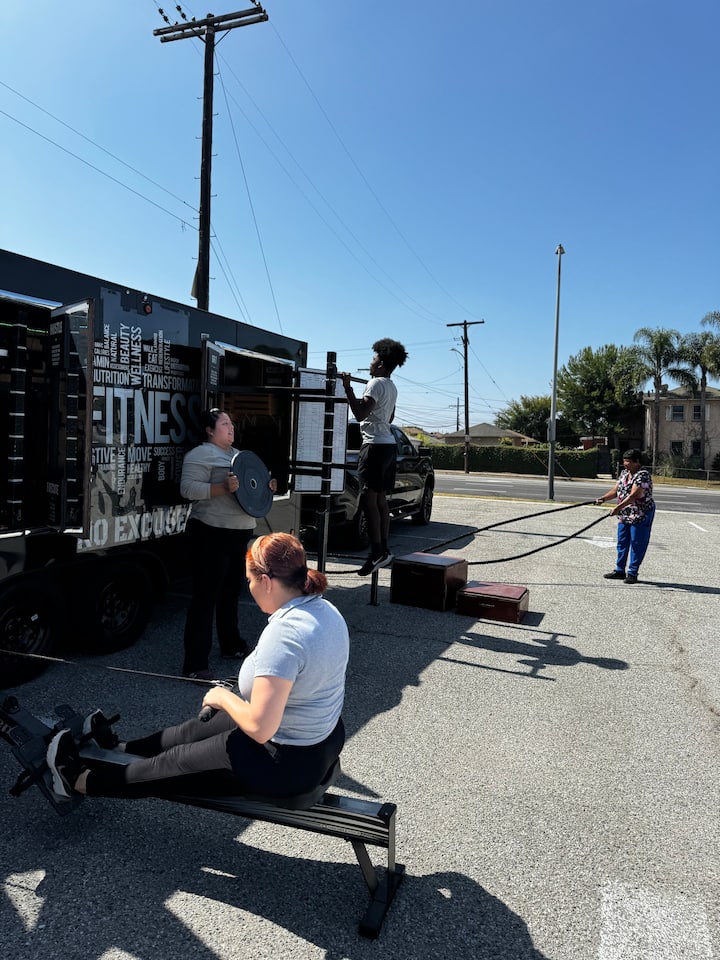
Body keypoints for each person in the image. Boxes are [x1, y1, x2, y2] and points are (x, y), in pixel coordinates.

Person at [45, 533, 349, 802]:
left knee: (176, 761)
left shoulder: (285, 635)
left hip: (283, 763)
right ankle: (120, 749)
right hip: (314, 742)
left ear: (266, 582)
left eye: (249, 580)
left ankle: (77, 782)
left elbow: (260, 728)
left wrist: (222, 697)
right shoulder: (323, 608)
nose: (249, 586)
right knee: (196, 729)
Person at [180, 408, 276, 679]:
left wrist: (267, 487)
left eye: (231, 423)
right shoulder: (200, 455)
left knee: (231, 593)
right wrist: (222, 488)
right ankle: (195, 665)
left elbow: (251, 491)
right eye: (224, 423)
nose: (231, 427)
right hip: (211, 532)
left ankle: (231, 645)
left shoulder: (238, 456)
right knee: (205, 598)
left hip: (239, 533)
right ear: (210, 430)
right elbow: (187, 489)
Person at [340, 338, 408, 576]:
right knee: (380, 500)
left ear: (380, 364)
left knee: (368, 500)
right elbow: (390, 418)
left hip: (374, 447)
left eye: (373, 359)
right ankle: (384, 549)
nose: (370, 362)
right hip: (388, 446)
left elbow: (360, 414)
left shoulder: (375, 383)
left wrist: (347, 387)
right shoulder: (391, 386)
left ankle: (376, 552)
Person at [595, 448, 656, 584]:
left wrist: (617, 508)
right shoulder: (624, 473)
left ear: (637, 462)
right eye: (624, 461)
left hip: (640, 513)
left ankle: (632, 573)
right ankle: (619, 570)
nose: (625, 464)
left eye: (628, 461)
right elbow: (616, 490)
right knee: (622, 541)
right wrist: (603, 499)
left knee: (637, 543)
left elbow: (634, 495)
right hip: (625, 512)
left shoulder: (643, 475)